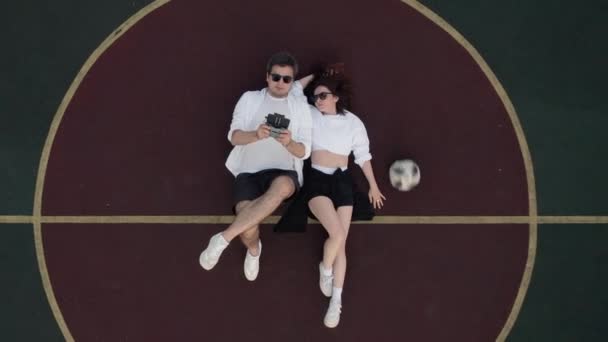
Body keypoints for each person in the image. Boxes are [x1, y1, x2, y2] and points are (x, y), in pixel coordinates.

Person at [199, 52, 313, 281]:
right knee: (249, 228)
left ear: (292, 82)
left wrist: (289, 143)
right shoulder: (249, 99)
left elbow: (305, 151)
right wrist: (255, 134)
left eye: (287, 79)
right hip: (248, 172)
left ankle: (222, 239)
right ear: (267, 77)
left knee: (282, 188)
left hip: (284, 171)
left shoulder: (301, 107)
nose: (281, 83)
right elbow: (234, 136)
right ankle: (254, 250)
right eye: (276, 77)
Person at [303, 74, 386, 328]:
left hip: (342, 182)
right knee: (337, 235)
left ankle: (336, 301)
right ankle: (325, 269)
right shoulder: (309, 114)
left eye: (324, 95)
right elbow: (295, 92)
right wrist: (313, 78)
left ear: (336, 98)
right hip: (317, 180)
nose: (318, 100)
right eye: (316, 96)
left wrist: (373, 185)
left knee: (342, 244)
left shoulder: (353, 123)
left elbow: (363, 155)